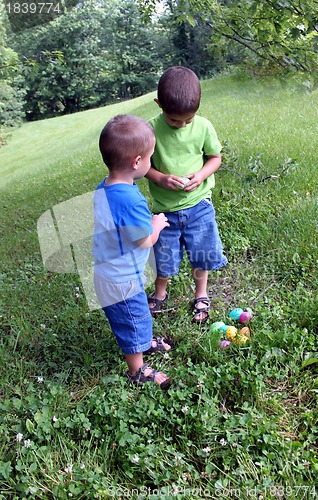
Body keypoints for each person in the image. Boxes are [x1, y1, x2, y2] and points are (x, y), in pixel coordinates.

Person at [93, 114, 171, 388]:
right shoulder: (130, 201)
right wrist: (156, 224)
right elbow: (144, 241)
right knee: (132, 319)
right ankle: (137, 370)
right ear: (137, 162)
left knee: (135, 316)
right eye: (149, 157)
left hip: (108, 274)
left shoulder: (104, 187)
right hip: (122, 279)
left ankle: (144, 340)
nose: (150, 163)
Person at [146, 66, 228, 322]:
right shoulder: (149, 130)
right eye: (173, 120)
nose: (181, 125)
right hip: (165, 211)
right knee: (164, 257)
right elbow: (142, 165)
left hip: (199, 205)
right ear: (159, 105)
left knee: (201, 254)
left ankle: (200, 294)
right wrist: (160, 177)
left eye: (188, 120)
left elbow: (215, 157)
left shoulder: (203, 127)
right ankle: (160, 294)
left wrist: (201, 175)